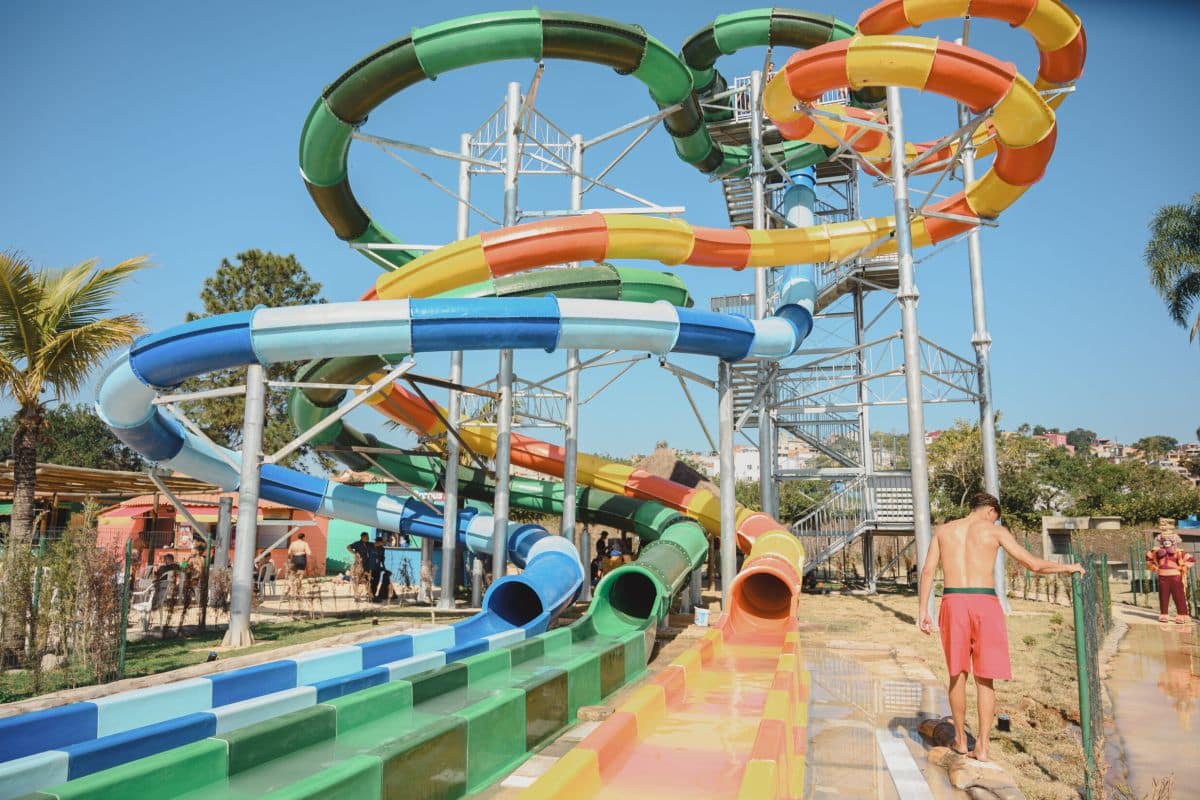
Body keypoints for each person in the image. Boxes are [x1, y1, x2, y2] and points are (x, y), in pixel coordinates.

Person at [918, 491, 1084, 762]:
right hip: (984, 602)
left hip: (953, 601)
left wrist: (923, 611)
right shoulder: (995, 531)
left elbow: (927, 571)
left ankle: (960, 740)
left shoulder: (944, 531)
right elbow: (1032, 564)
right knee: (985, 677)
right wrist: (1068, 568)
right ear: (991, 511)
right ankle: (982, 746)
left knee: (957, 674)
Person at [1145, 531, 1194, 623]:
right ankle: (1164, 614)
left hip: (1176, 577)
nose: (1166, 542)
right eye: (1164, 540)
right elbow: (1148, 557)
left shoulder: (1179, 552)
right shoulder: (1156, 551)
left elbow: (1191, 560)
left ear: (1173, 541)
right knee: (1163, 596)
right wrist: (1154, 567)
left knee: (1179, 596)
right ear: (1161, 541)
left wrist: (1182, 567)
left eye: (1169, 540)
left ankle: (1182, 614)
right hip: (1162, 577)